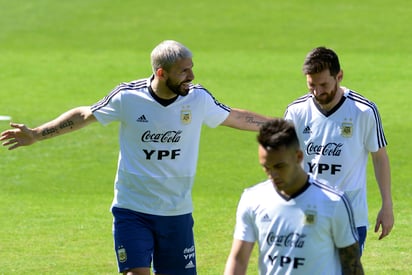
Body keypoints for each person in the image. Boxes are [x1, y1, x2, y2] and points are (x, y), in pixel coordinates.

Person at [0, 40, 272, 275]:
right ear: (162, 73)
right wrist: (37, 134)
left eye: (191, 68)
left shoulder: (198, 99)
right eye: (184, 71)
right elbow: (85, 115)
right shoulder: (128, 97)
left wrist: (284, 127)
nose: (191, 75)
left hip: (175, 212)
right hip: (132, 210)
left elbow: (236, 117)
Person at [284, 46, 394, 254]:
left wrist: (387, 205)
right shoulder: (296, 112)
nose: (317, 92)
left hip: (350, 215)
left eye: (323, 84)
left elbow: (379, 157)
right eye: (311, 86)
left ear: (339, 76)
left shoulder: (363, 111)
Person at [224, 118, 364, 275]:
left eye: (279, 166)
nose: (272, 175)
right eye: (266, 167)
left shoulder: (333, 201)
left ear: (298, 156)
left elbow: (352, 265)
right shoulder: (252, 199)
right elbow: (238, 259)